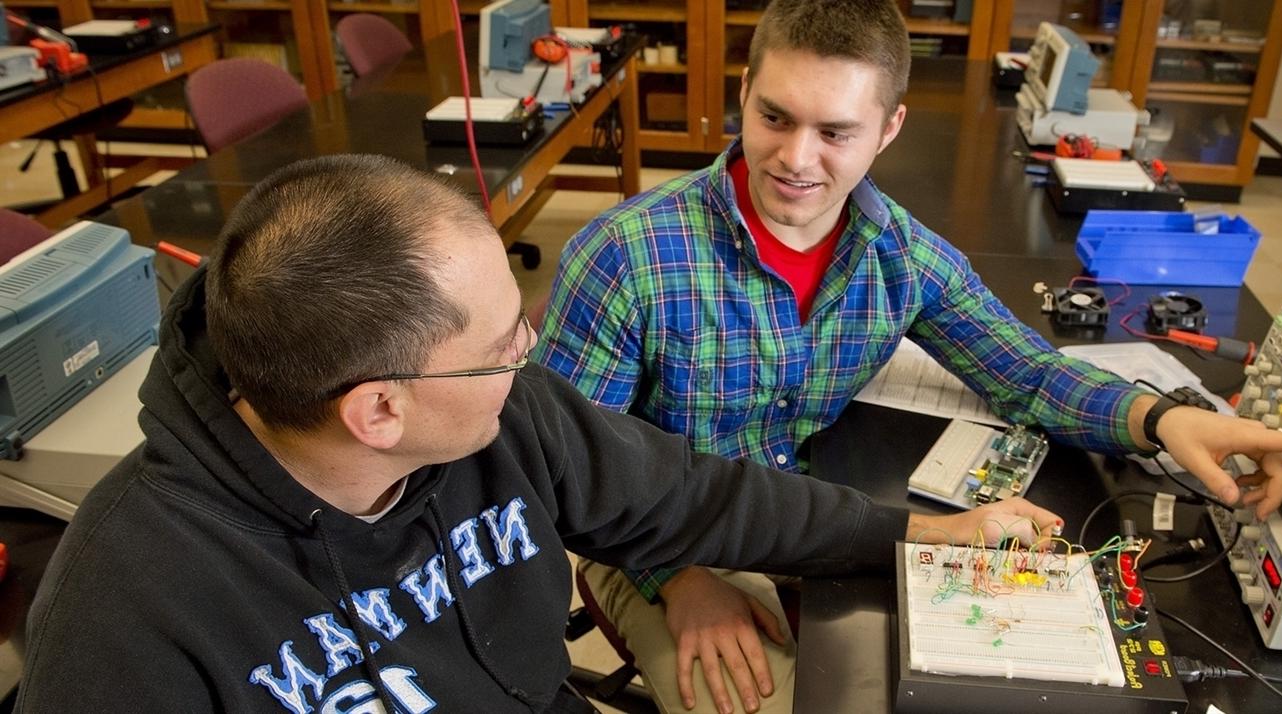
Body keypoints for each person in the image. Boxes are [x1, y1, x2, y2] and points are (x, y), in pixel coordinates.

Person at [15, 154, 1064, 713]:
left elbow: (705, 497)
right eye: (503, 342)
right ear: (378, 410)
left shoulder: (507, 419)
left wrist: (920, 535)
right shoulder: (126, 612)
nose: (532, 354)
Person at [535, 1, 1282, 713]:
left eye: (836, 131)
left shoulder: (903, 257)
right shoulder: (624, 257)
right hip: (670, 538)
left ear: (889, 128)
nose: (796, 158)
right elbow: (568, 476)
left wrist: (1164, 420)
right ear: (742, 95)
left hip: (818, 518)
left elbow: (1024, 371)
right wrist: (679, 578)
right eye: (775, 117)